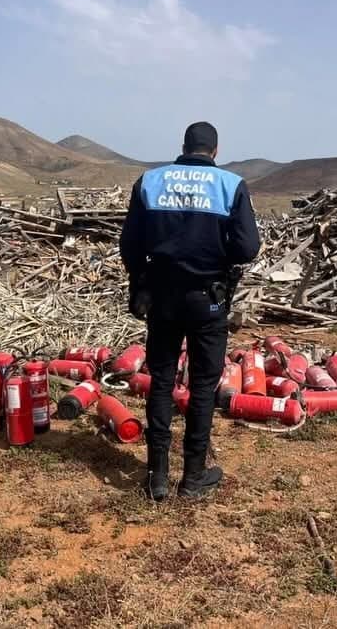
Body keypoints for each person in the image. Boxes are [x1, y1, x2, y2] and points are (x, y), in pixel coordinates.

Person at [119, 121, 261, 500]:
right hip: (207, 300)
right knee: (202, 384)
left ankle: (157, 477)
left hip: (162, 298)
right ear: (215, 151)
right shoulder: (230, 185)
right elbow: (248, 248)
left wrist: (145, 276)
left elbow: (130, 245)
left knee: (162, 381)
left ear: (183, 146)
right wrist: (217, 256)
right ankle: (194, 478)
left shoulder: (150, 181)